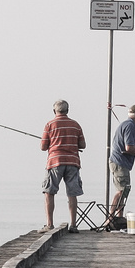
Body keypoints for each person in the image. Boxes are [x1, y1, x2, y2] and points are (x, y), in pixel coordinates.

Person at [40, 99, 86, 232]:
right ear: (67, 110)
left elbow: (43, 147)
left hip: (55, 162)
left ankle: (49, 224)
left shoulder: (49, 125)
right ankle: (73, 225)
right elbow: (83, 145)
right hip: (73, 162)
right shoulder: (75, 125)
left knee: (49, 192)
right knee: (72, 194)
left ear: (55, 111)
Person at [109, 103, 135, 222]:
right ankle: (111, 218)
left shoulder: (126, 124)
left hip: (119, 162)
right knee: (122, 191)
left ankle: (118, 218)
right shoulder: (130, 126)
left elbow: (127, 149)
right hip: (120, 163)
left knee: (123, 190)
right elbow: (129, 148)